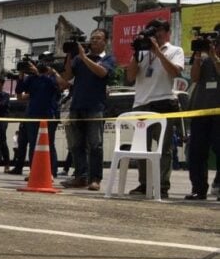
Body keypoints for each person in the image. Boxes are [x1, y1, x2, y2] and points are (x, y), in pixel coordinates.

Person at [126, 19, 185, 198]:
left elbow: (175, 72)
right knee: (141, 148)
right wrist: (137, 52)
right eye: (152, 31)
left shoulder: (175, 50)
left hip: (164, 101)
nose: (155, 35)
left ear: (167, 32)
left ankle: (162, 186)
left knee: (164, 147)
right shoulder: (142, 52)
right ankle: (144, 184)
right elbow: (130, 77)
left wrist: (157, 52)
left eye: (158, 31)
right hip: (142, 103)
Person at [61, 29, 115, 191]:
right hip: (77, 105)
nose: (94, 41)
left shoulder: (108, 58)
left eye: (98, 38)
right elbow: (66, 78)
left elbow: (102, 72)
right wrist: (71, 55)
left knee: (95, 145)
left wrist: (84, 57)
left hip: (95, 107)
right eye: (92, 38)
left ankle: (95, 179)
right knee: (76, 145)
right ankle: (80, 176)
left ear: (105, 41)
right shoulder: (78, 58)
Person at [16, 54, 66, 179]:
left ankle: (51, 172)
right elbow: (19, 92)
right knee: (33, 144)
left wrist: (44, 73)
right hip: (33, 115)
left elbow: (60, 86)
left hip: (49, 115)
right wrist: (21, 74)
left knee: (49, 144)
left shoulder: (50, 78)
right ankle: (34, 172)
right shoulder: (31, 79)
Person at [185, 28, 220, 200]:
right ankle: (198, 188)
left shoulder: (213, 57)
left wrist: (214, 56)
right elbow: (194, 78)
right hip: (201, 108)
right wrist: (198, 57)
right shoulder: (203, 57)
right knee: (197, 151)